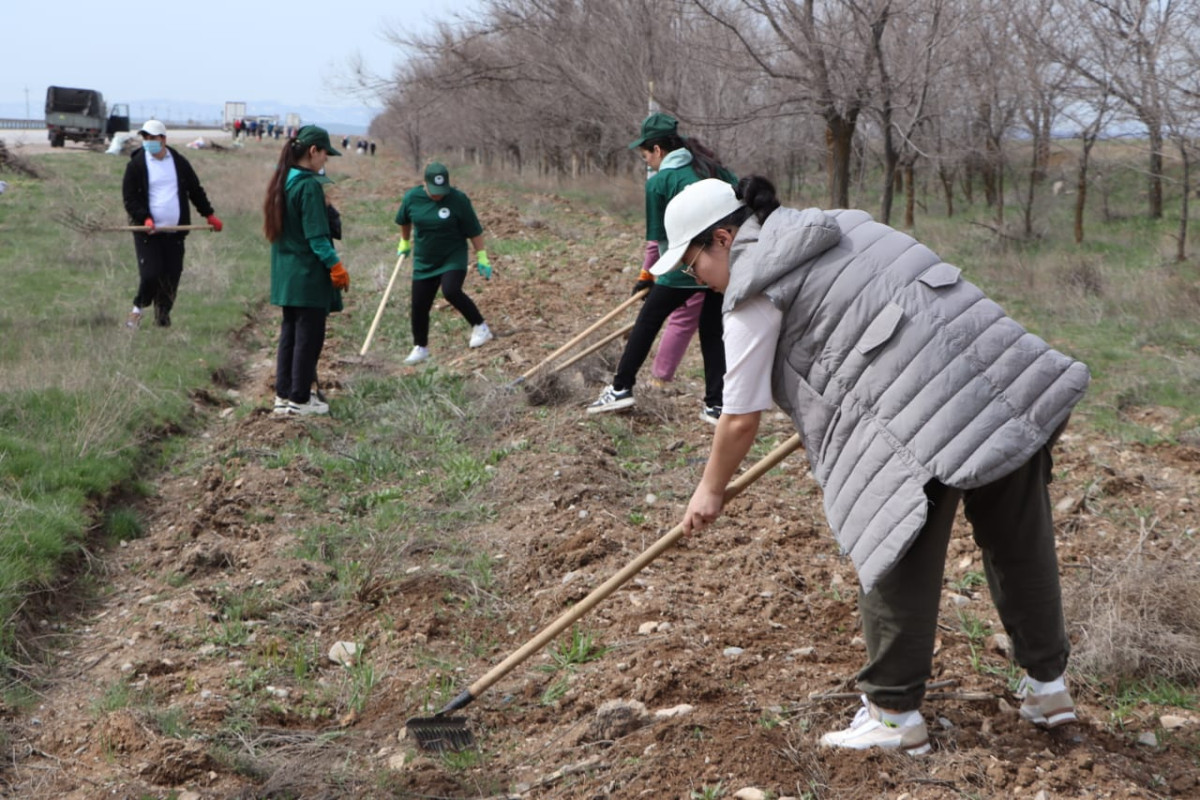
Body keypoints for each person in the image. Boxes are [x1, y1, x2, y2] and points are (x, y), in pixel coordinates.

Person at [654, 176, 1090, 754]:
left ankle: (893, 715)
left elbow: (738, 418)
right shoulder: (842, 222)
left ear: (724, 238)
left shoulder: (752, 294)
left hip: (918, 407)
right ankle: (1048, 686)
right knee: (1019, 538)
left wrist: (709, 491)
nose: (698, 282)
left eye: (692, 267)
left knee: (891, 545)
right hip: (1000, 373)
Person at [587, 112, 735, 424]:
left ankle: (621, 387)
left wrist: (646, 276)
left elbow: (657, 241)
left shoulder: (660, 182)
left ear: (657, 150)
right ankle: (716, 404)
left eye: (645, 156)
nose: (647, 163)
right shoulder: (711, 167)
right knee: (712, 332)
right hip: (722, 263)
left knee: (648, 321)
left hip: (683, 266)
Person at [263, 125, 350, 416]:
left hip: (285, 274)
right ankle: (300, 399)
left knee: (290, 334)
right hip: (307, 274)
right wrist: (336, 266)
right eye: (325, 154)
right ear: (313, 151)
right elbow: (317, 236)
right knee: (309, 336)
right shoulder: (309, 185)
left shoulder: (283, 179)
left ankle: (283, 396)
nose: (326, 160)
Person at [121, 119, 223, 329]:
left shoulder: (178, 162)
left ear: (163, 139)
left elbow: (195, 190)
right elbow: (130, 198)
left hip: (175, 232)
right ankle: (137, 310)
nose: (149, 142)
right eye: (145, 138)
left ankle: (162, 317)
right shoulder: (136, 165)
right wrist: (145, 218)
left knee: (171, 275)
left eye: (153, 138)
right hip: (148, 231)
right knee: (151, 274)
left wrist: (209, 215)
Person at [394, 162, 494, 365]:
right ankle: (420, 347)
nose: (438, 196)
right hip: (425, 259)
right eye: (434, 191)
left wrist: (482, 256)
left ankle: (480, 327)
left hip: (452, 256)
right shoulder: (412, 198)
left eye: (442, 191)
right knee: (419, 305)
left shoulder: (458, 200)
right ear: (425, 183)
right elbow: (404, 220)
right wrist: (404, 241)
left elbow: (474, 230)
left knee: (451, 290)